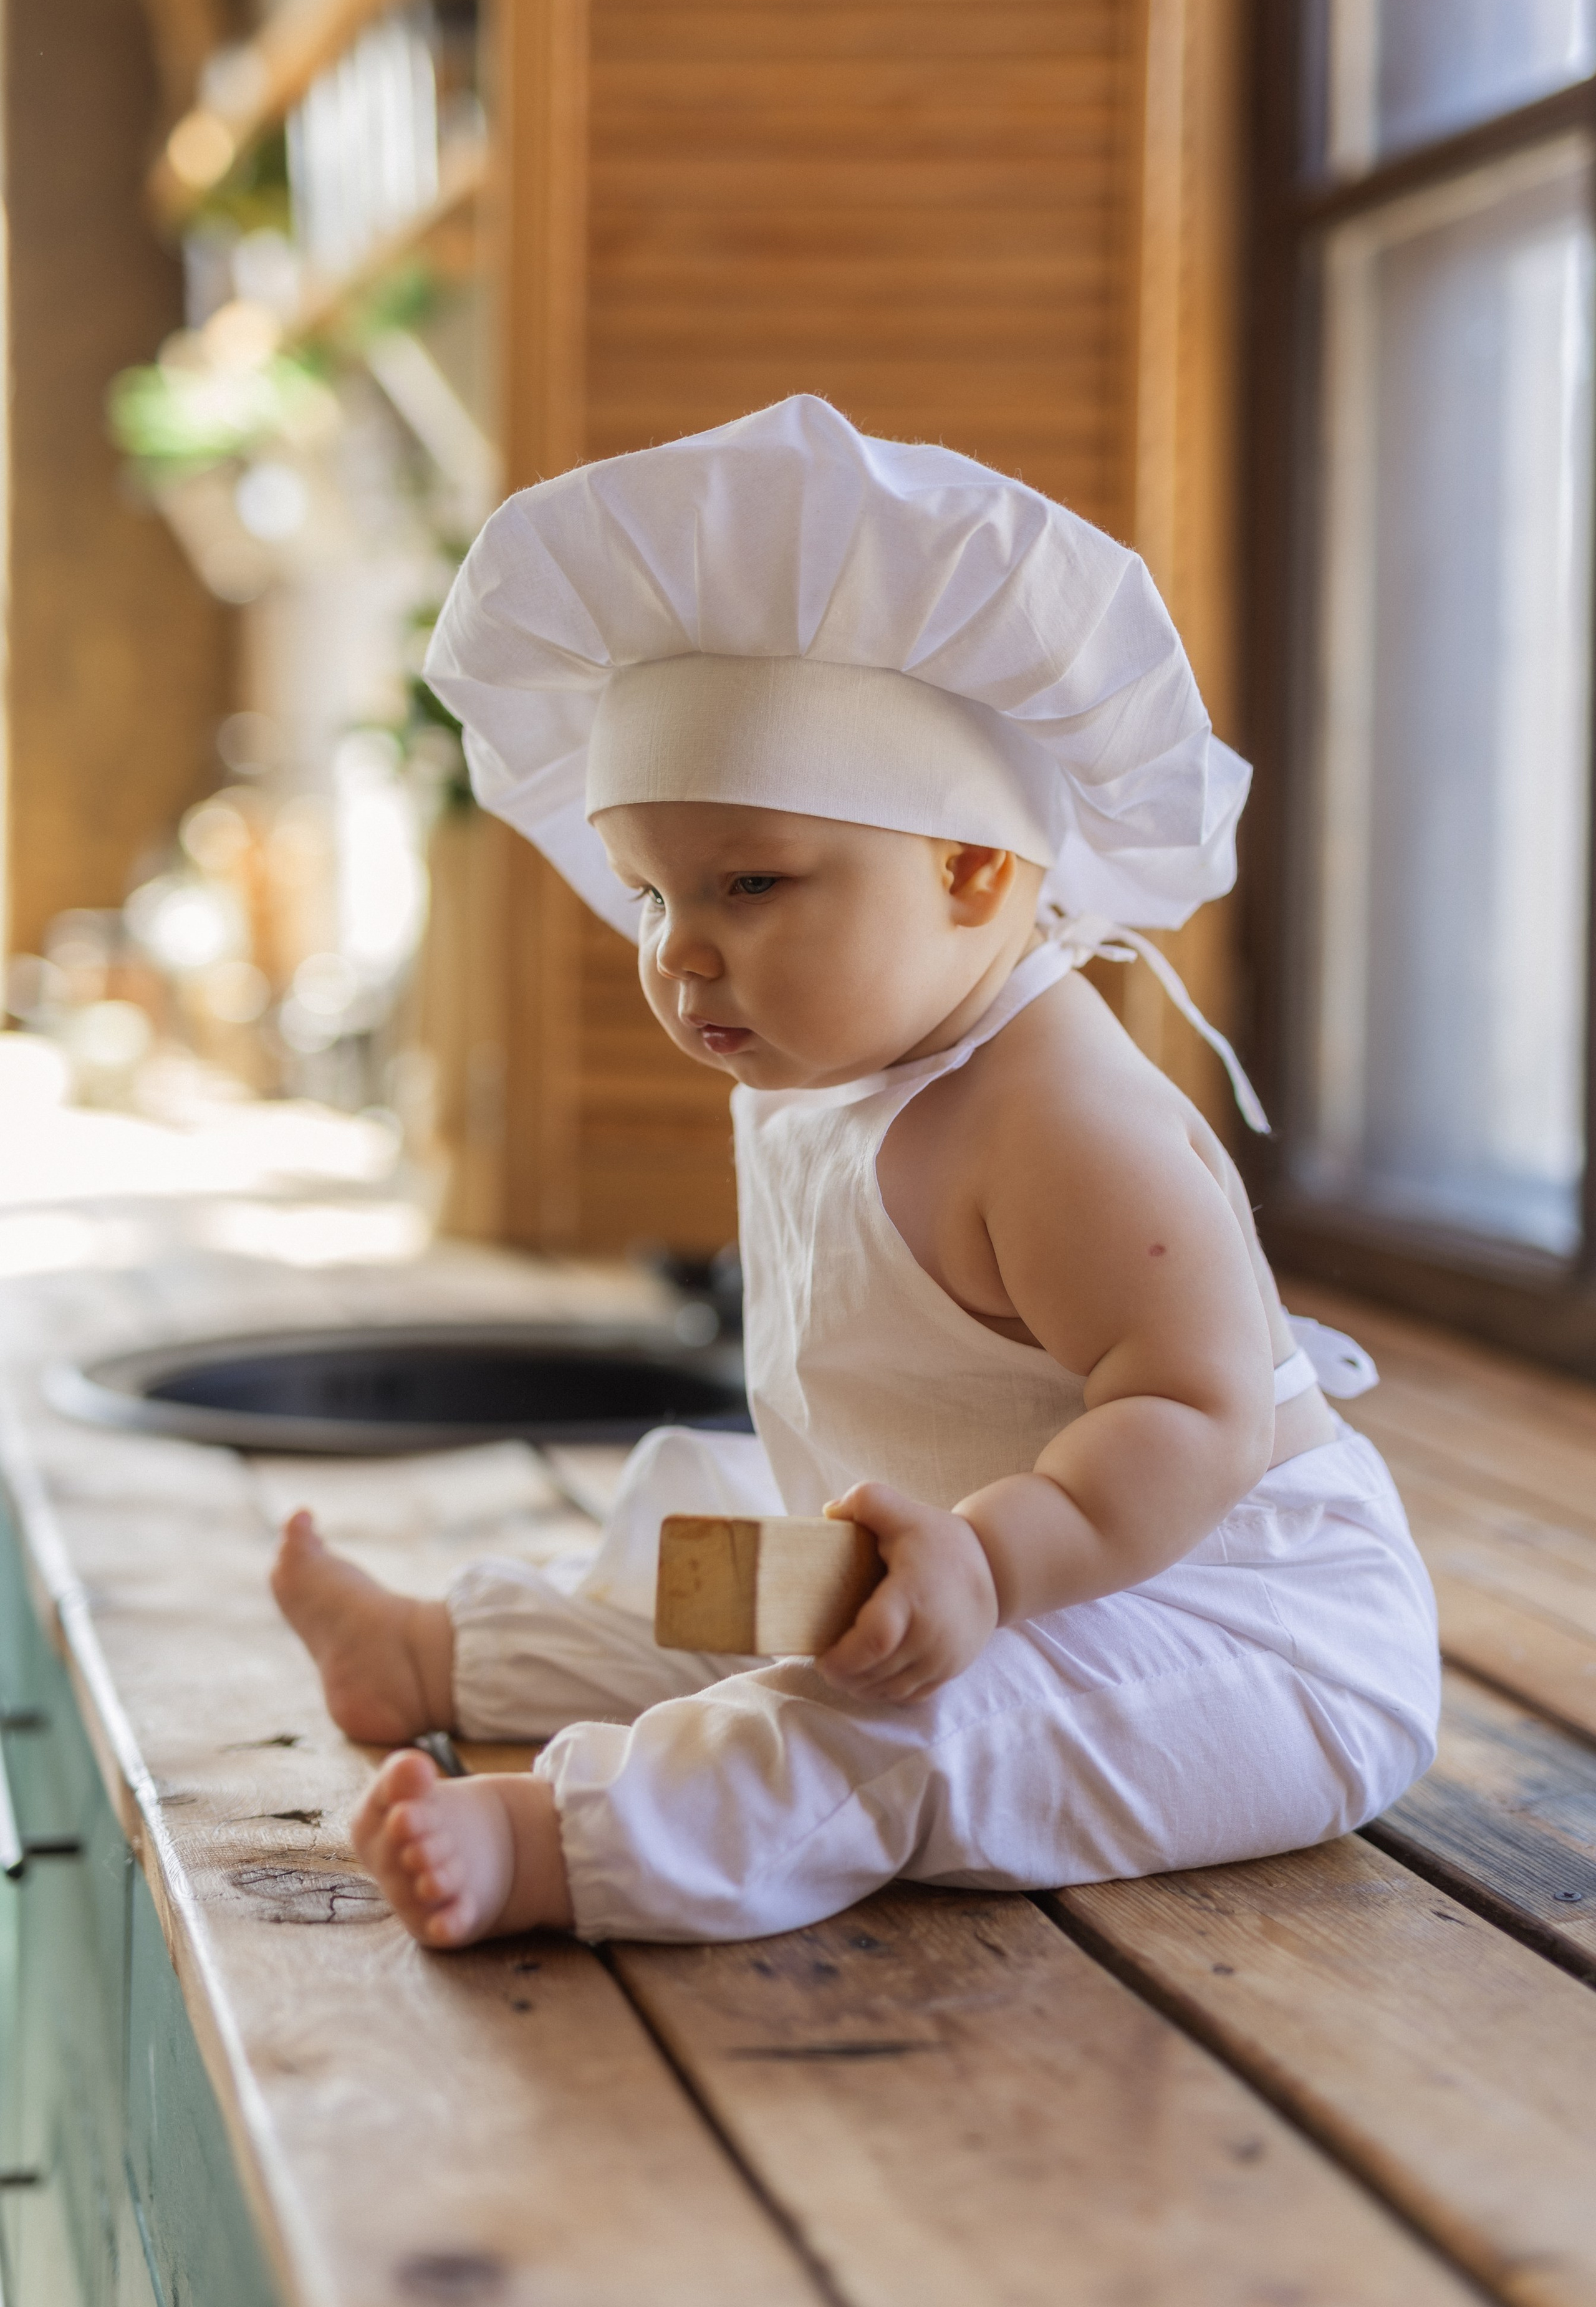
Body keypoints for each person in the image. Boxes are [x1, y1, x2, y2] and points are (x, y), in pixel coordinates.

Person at [272, 396, 1440, 1949]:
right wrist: (930, 1566)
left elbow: (1195, 1408)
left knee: (892, 1728)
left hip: (1231, 1624)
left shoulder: (1059, 1117)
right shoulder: (838, 1056)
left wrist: (996, 1562)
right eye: (647, 895)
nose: (682, 951)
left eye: (748, 882)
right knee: (713, 1565)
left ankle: (561, 1840)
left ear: (975, 869)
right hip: (965, 1559)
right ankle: (433, 1654)